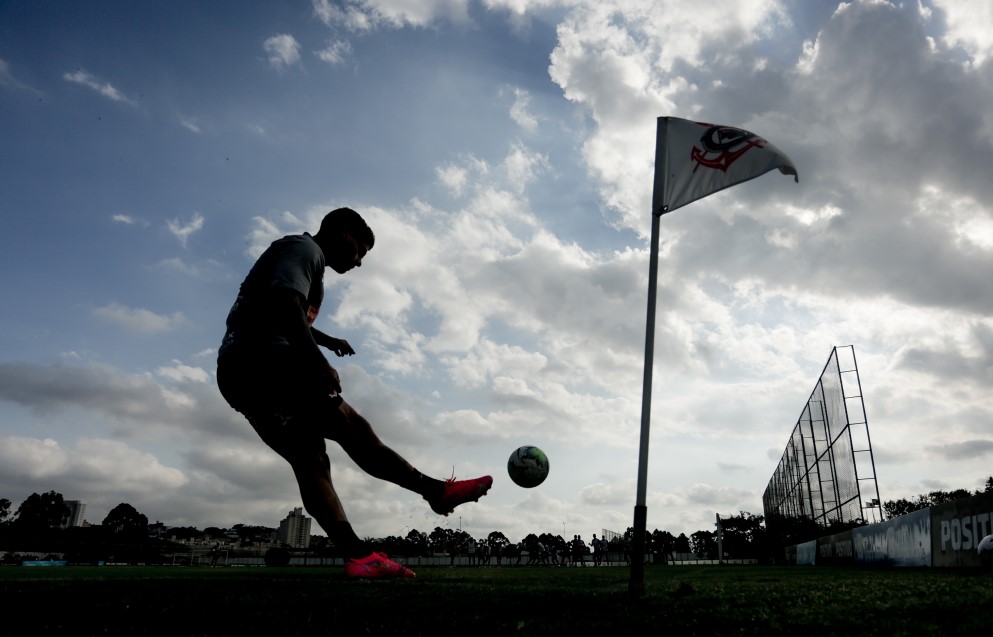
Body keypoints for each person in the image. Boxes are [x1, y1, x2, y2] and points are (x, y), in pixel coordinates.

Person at [216, 207, 493, 580]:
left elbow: (269, 309)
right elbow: (284, 304)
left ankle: (358, 556)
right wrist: (316, 361)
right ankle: (435, 491)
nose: (360, 262)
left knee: (310, 458)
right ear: (342, 231)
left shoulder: (300, 257)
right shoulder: (306, 251)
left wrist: (324, 339)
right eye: (361, 250)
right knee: (352, 427)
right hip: (266, 360)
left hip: (237, 370)